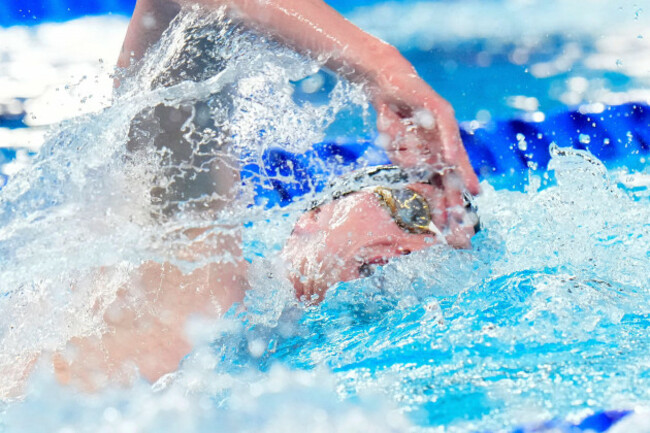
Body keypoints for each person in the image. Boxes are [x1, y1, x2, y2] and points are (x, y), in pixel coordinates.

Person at [51, 0, 480, 391]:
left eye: (443, 250)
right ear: (314, 216)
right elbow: (179, 9)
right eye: (412, 209)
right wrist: (380, 67)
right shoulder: (194, 262)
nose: (418, 248)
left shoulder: (304, 378)